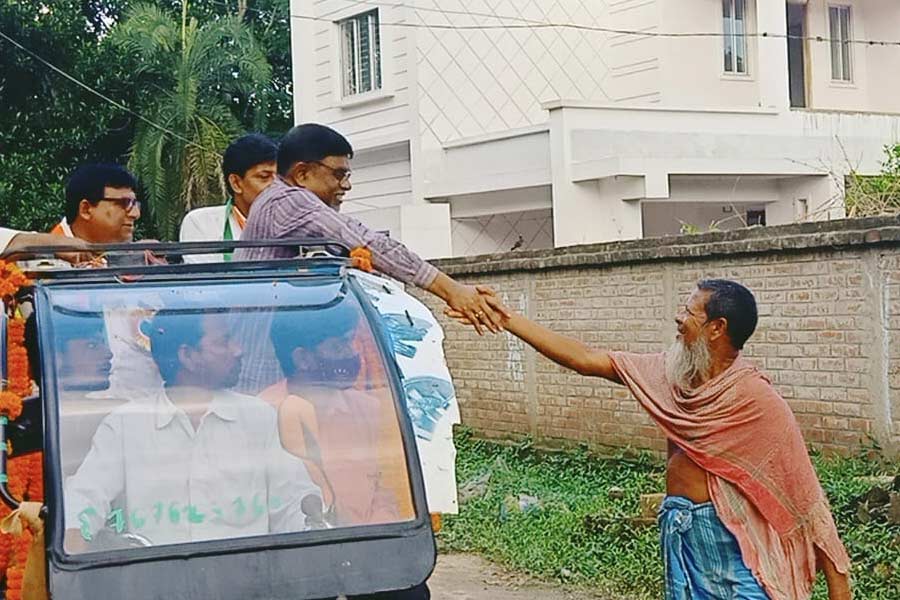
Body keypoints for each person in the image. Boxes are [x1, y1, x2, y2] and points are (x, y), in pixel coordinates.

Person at [448, 280, 851, 600]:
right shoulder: (672, 375)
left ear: (717, 328)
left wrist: (839, 587)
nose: (679, 318)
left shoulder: (757, 400)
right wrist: (508, 319)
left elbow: (806, 500)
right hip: (683, 539)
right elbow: (585, 359)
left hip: (734, 547)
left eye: (689, 312)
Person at [63, 309, 320, 552]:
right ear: (187, 356)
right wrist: (76, 542)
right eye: (224, 342)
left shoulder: (259, 417)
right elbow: (84, 499)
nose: (238, 350)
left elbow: (293, 502)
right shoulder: (125, 425)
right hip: (153, 578)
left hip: (248, 577)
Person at [235, 123, 506, 336]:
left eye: (348, 175)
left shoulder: (279, 201)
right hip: (259, 349)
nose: (347, 185)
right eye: (339, 174)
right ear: (302, 174)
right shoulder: (289, 201)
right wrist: (452, 291)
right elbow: (370, 243)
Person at [266, 301, 412, 528]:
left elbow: (381, 492)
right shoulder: (262, 414)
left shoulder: (367, 409)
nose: (352, 354)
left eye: (350, 343)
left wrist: (375, 532)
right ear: (303, 359)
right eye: (338, 347)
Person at [180, 133, 278, 263]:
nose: (277, 185)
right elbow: (207, 275)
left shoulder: (297, 223)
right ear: (236, 183)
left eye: (280, 177)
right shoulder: (202, 223)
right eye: (264, 177)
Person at [54, 163, 141, 244]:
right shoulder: (50, 253)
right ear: (85, 210)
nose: (136, 214)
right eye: (125, 203)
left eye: (134, 203)